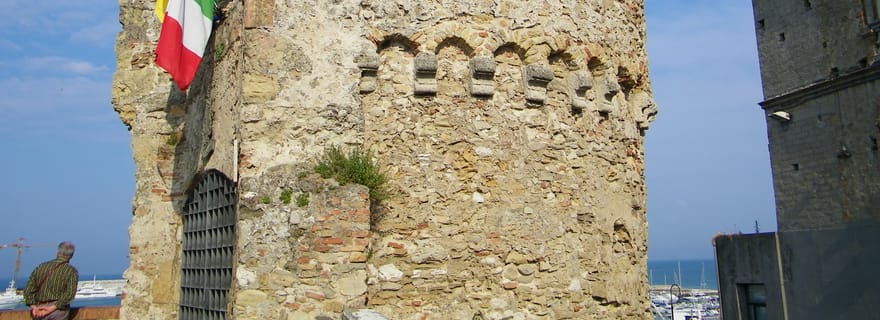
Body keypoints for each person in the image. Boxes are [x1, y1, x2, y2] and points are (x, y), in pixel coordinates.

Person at [22, 241, 79, 320]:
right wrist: (52, 308)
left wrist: (34, 307)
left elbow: (28, 290)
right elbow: (70, 294)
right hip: (58, 311)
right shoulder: (71, 271)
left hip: (39, 309)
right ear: (71, 256)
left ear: (57, 252)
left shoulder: (41, 267)